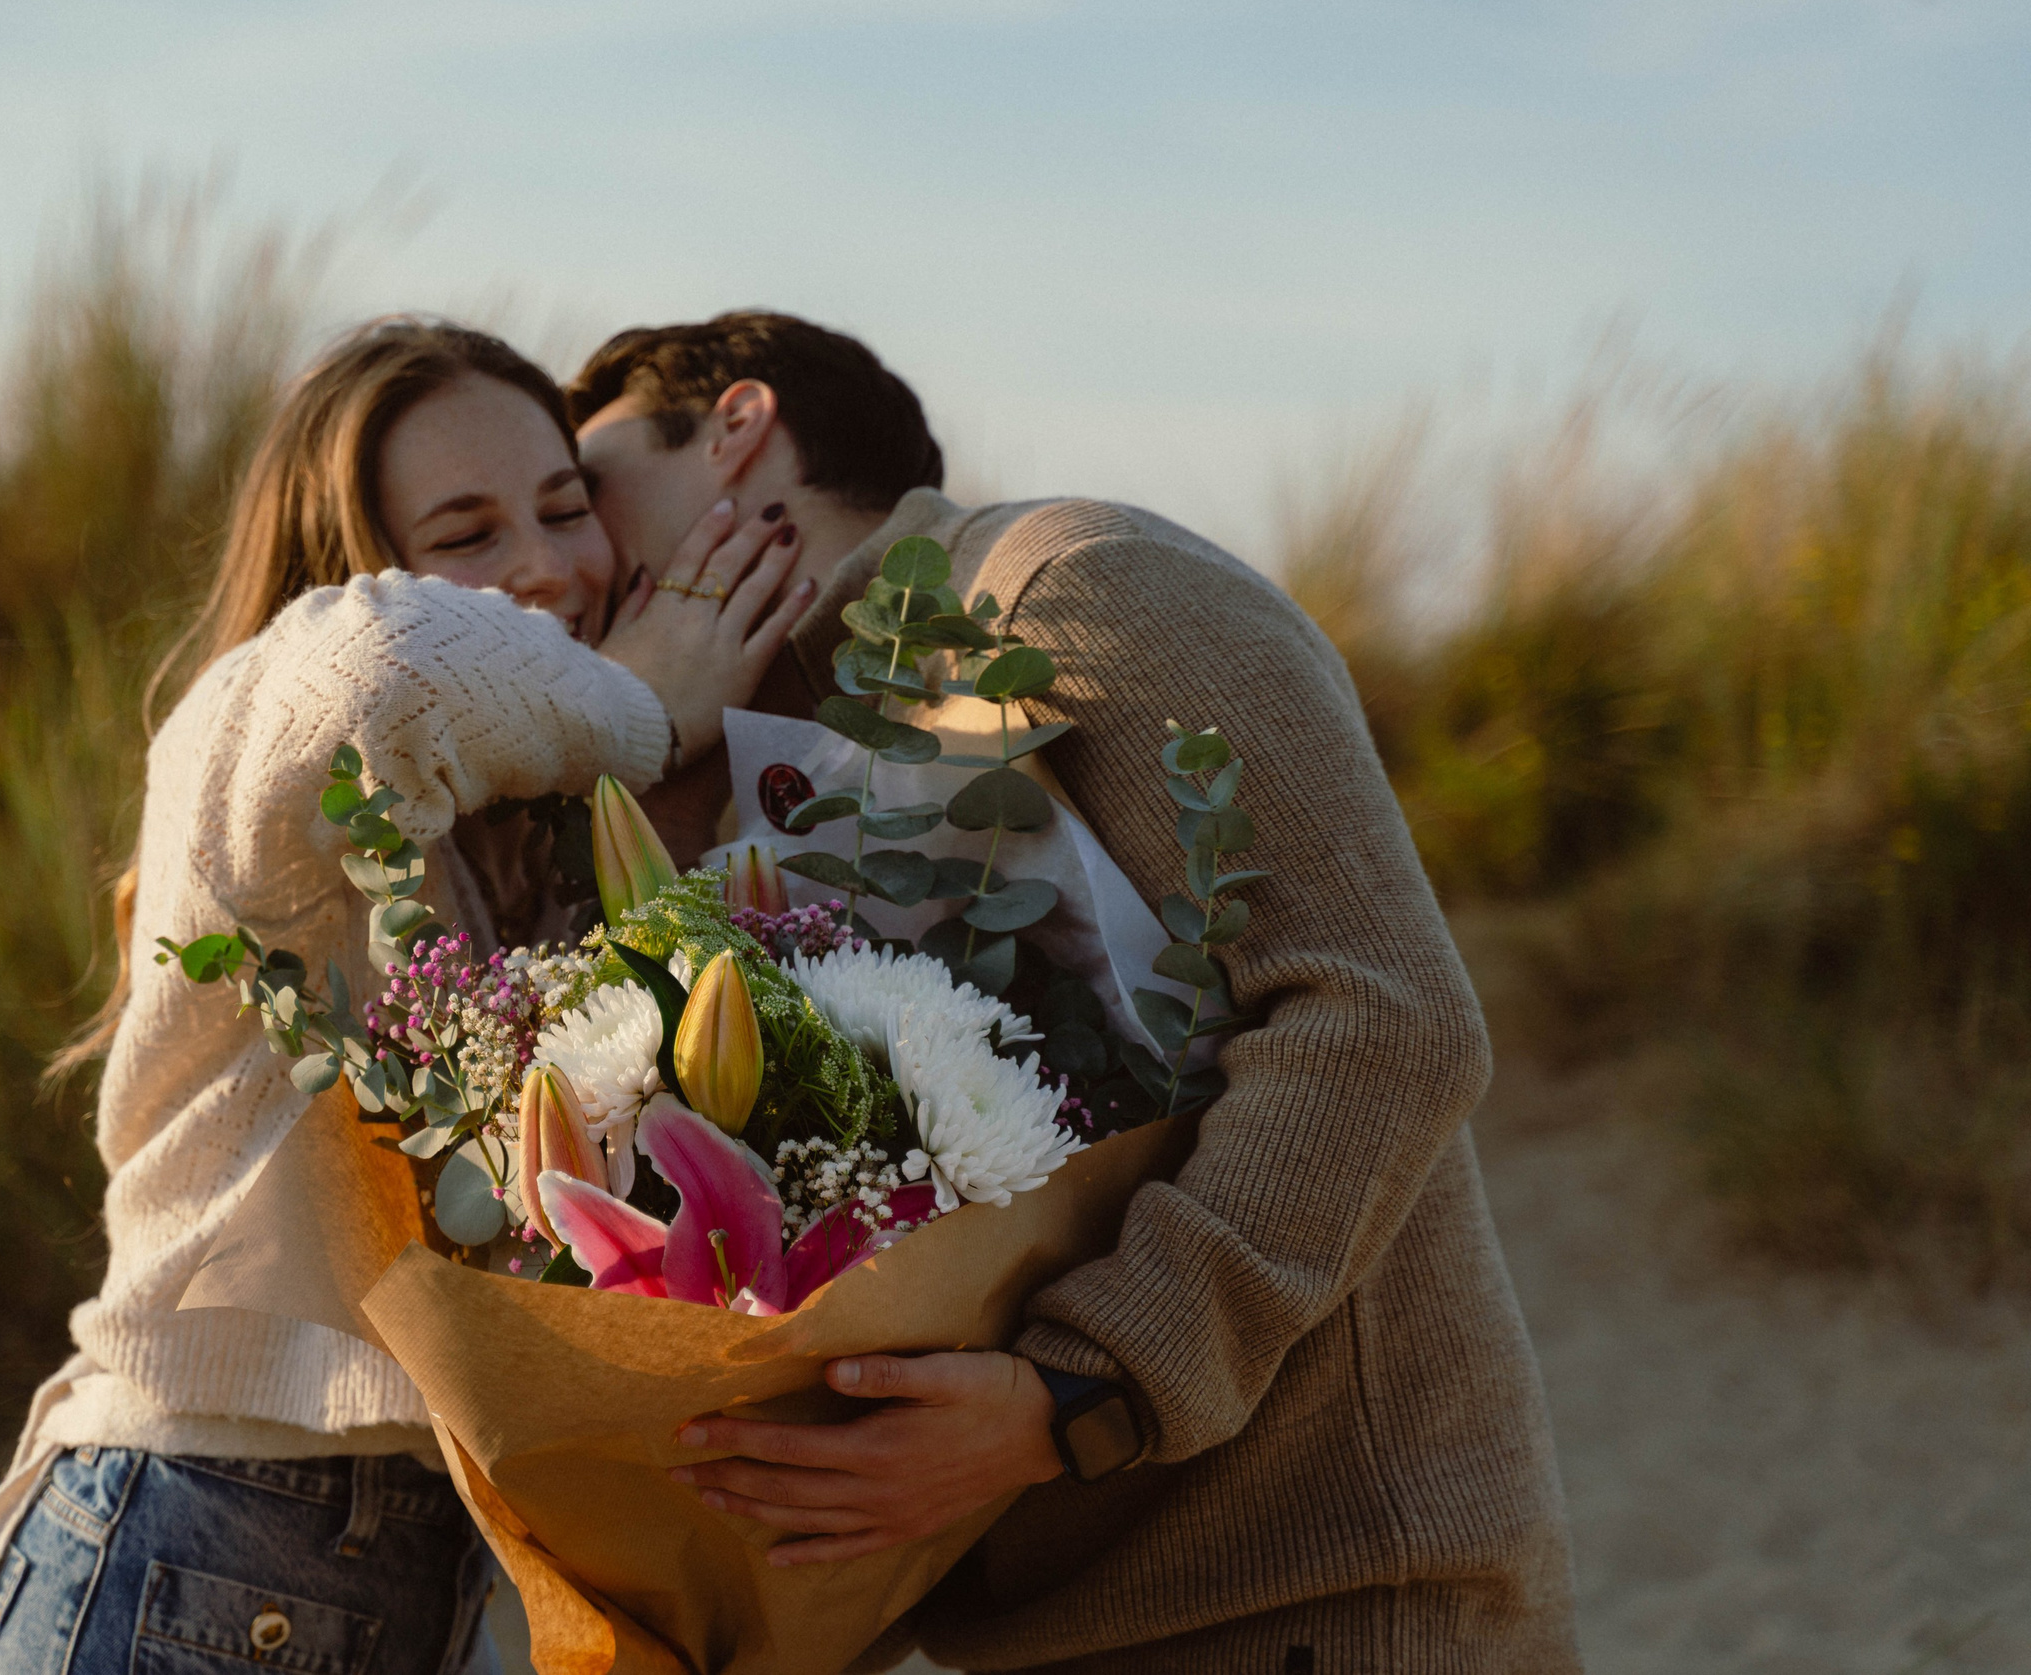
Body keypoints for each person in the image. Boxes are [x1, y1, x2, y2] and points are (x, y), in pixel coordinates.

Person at [565, 313, 1582, 1672]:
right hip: (1028, 1639)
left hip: (1327, 1596)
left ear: (740, 427)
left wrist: (1075, 1391)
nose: (570, 550)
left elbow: (1383, 1017)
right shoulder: (721, 761)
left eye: (587, 484)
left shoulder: (1064, 586)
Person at [0, 318, 813, 1675]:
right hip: (199, 1525)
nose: (543, 566)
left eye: (565, 508)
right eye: (465, 534)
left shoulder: (532, 846)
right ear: (349, 564)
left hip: (411, 1571)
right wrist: (647, 704)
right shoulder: (260, 741)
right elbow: (372, 668)